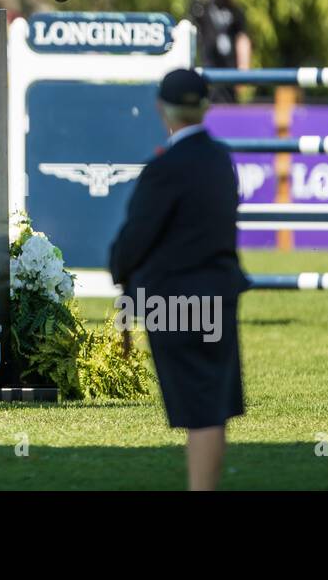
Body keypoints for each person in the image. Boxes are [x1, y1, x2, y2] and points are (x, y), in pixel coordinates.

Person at [108, 69, 251, 490]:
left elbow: (135, 238)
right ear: (206, 106)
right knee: (212, 409)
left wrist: (121, 278)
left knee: (200, 410)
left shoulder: (164, 168)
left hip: (175, 302)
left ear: (162, 109)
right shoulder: (221, 159)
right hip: (219, 296)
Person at [187, 0, 251, 102]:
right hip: (208, 68)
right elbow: (190, 32)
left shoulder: (235, 10)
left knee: (229, 108)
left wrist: (243, 67)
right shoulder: (201, 9)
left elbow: (242, 38)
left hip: (230, 70)